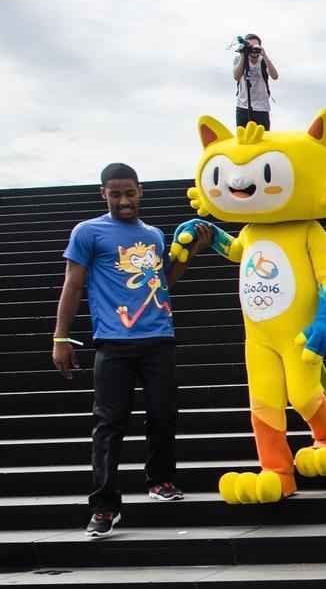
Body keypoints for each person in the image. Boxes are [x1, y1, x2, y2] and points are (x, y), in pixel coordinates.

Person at [54, 163, 212, 537]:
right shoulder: (88, 232)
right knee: (109, 424)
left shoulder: (154, 235)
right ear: (103, 194)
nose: (123, 200)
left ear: (141, 191)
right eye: (115, 194)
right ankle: (105, 506)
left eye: (129, 193)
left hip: (159, 338)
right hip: (114, 342)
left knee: (163, 415)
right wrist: (61, 337)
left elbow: (163, 282)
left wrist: (192, 254)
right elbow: (72, 285)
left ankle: (160, 482)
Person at [233, 33, 279, 130]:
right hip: (242, 107)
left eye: (256, 46)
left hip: (261, 108)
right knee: (244, 140)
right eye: (250, 47)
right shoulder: (239, 59)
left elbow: (275, 76)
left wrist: (265, 56)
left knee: (263, 140)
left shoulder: (263, 61)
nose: (253, 50)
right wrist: (243, 56)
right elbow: (236, 77)